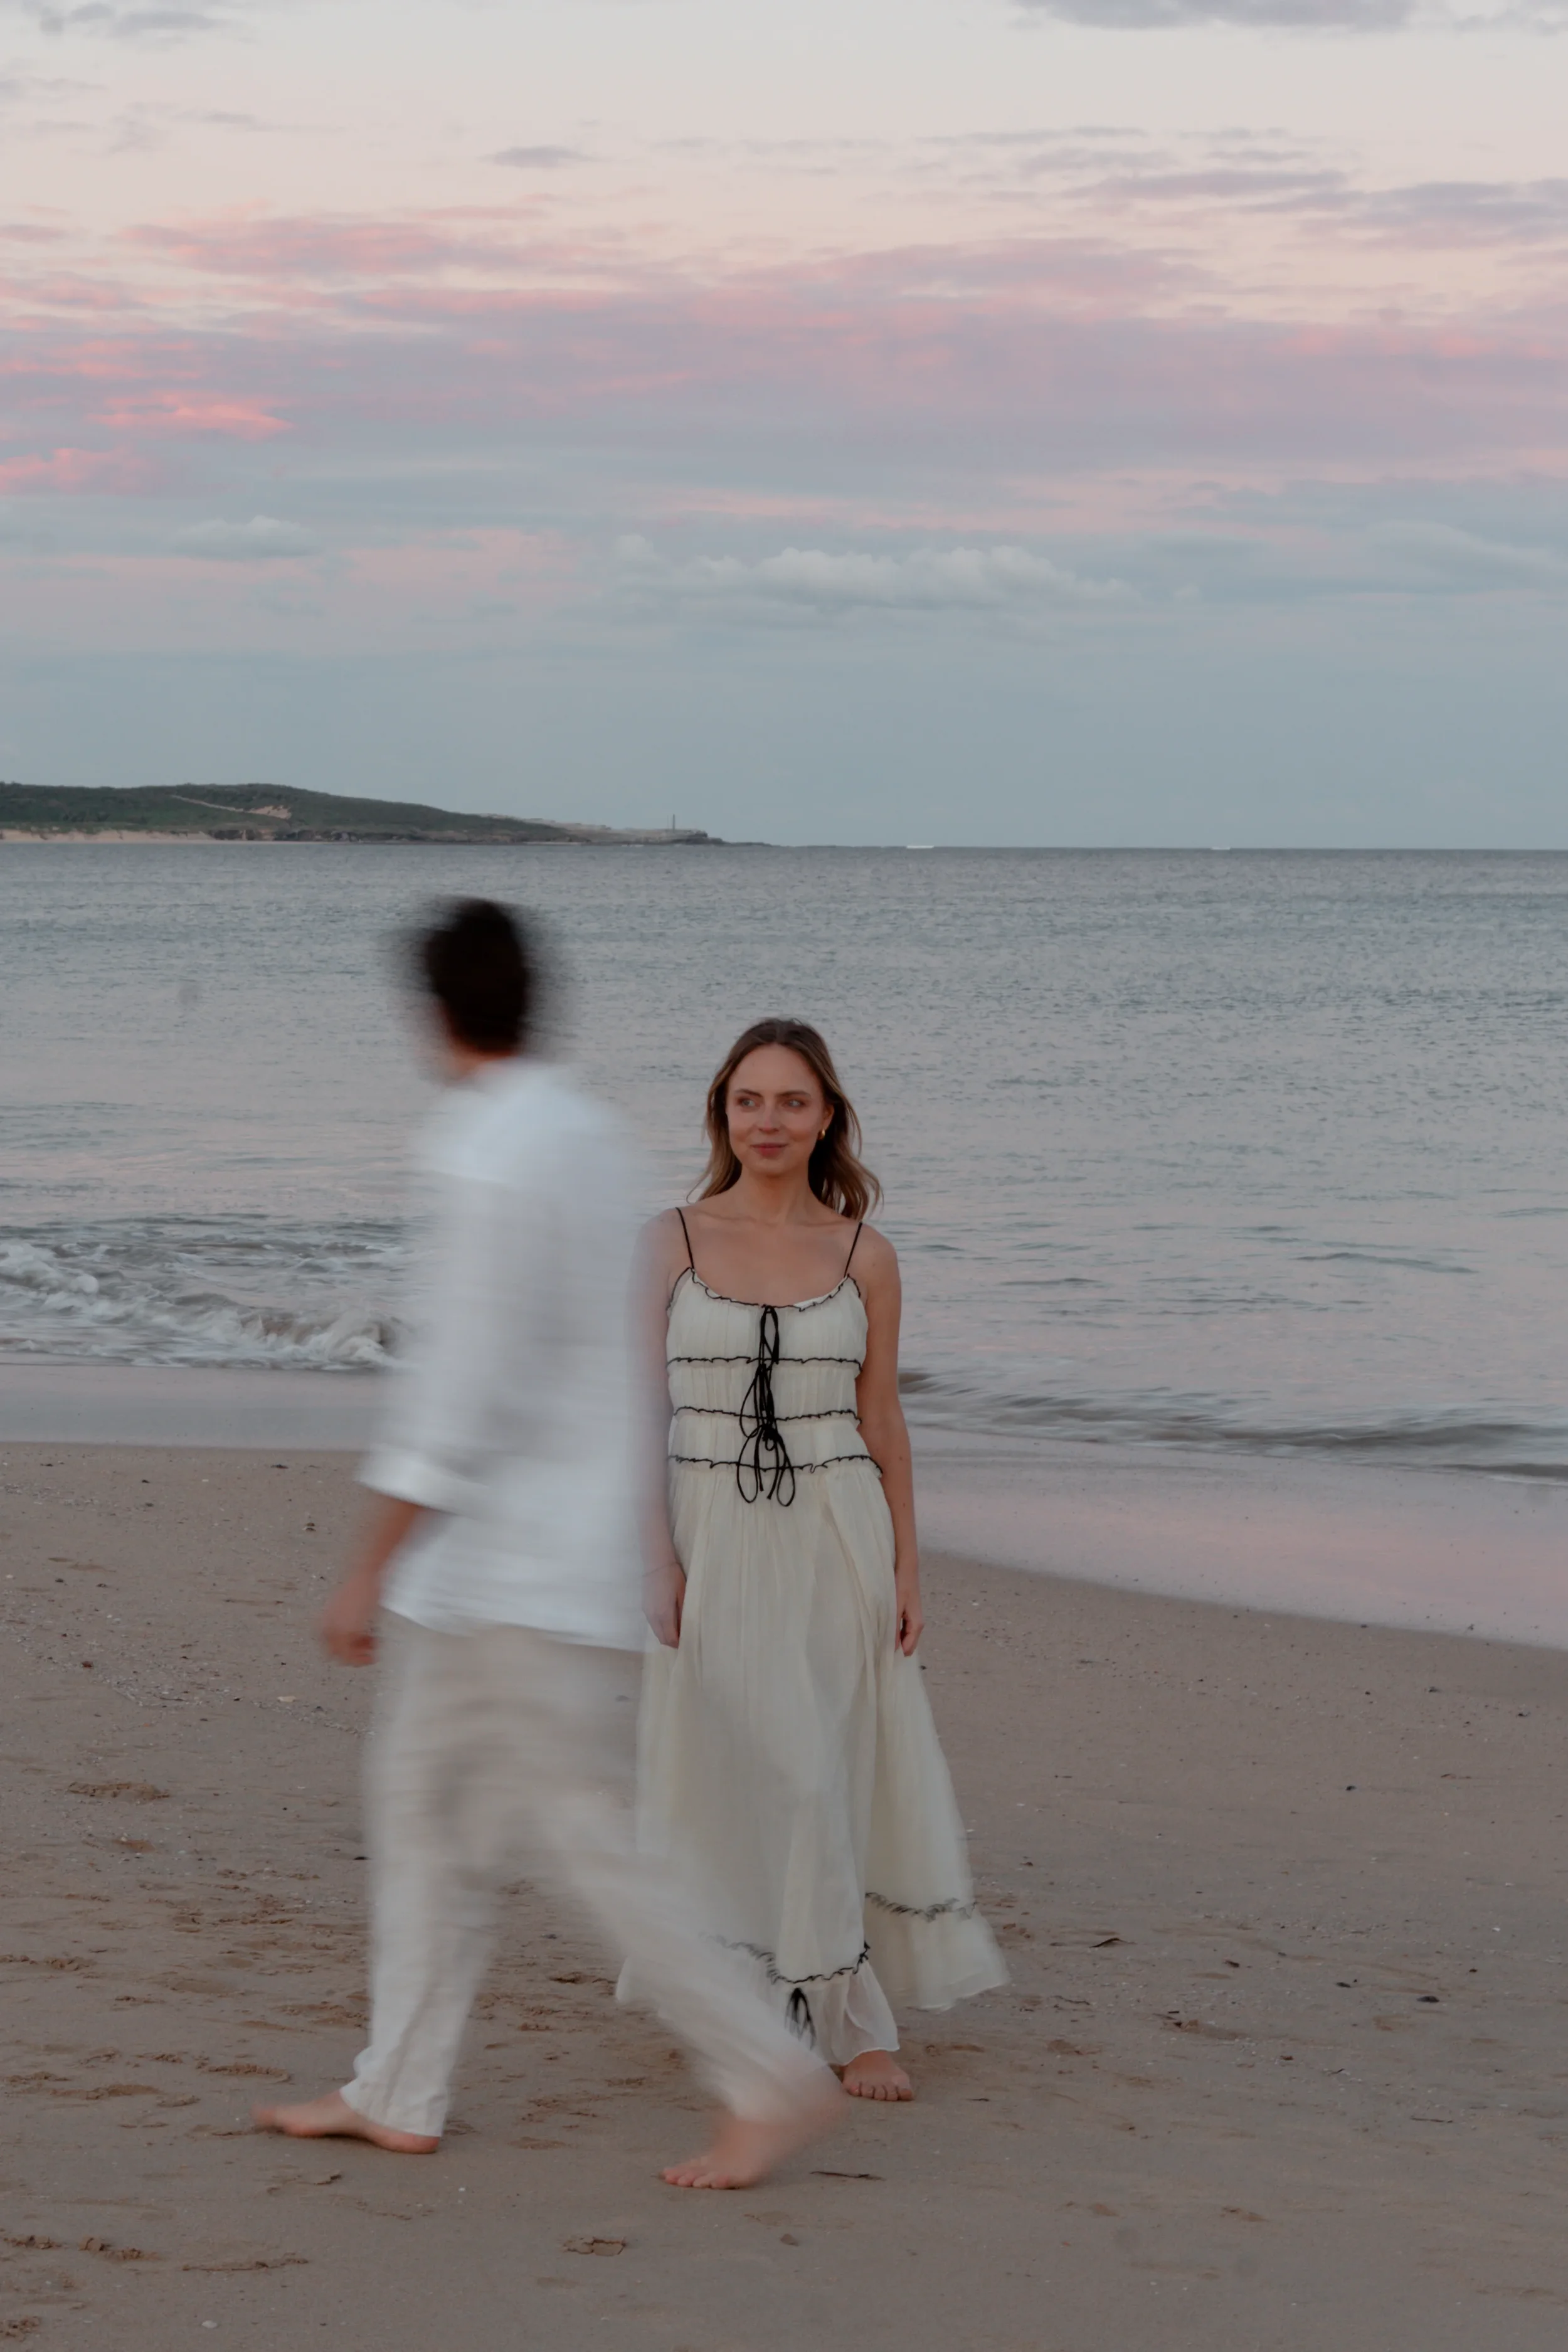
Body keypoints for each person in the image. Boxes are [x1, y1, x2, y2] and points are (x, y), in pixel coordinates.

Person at [254, 903, 839, 2191]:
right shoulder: (574, 1131)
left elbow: (461, 1387)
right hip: (519, 1568)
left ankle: (768, 2073)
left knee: (582, 1837)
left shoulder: (488, 1149)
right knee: (425, 1818)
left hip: (513, 1570)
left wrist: (366, 1563)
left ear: (432, 1012)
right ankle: (398, 2088)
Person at [637, 1017, 1005, 2104]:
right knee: (742, 1766)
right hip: (708, 1523)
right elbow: (626, 1415)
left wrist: (908, 1565)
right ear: (722, 1111)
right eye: (749, 1100)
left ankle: (850, 2017)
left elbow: (881, 1417)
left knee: (822, 1770)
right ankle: (748, 1990)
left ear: (828, 1115)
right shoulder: (666, 1239)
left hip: (838, 1526)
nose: (769, 1121)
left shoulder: (865, 1255)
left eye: (792, 1102)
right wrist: (653, 1554)